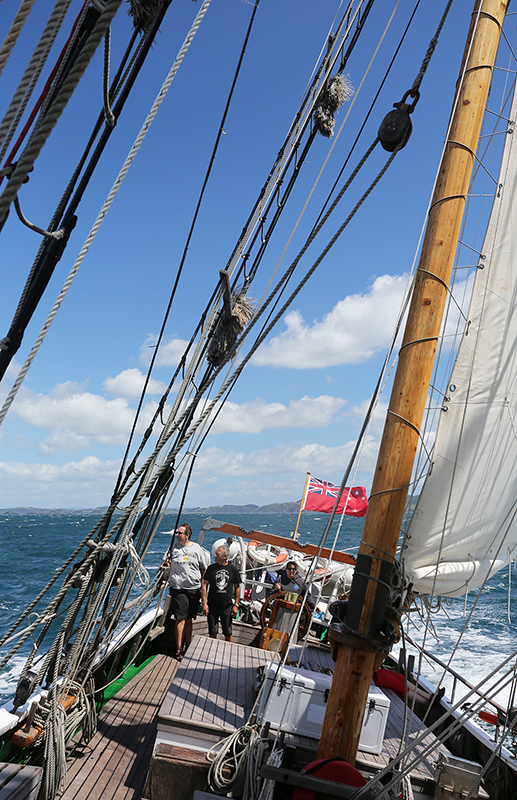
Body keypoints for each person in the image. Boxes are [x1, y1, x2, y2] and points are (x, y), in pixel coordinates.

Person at [162, 523, 207, 661]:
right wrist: (164, 579)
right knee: (180, 618)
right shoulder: (173, 548)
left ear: (187, 535)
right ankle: (178, 650)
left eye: (180, 533)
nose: (177, 535)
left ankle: (188, 648)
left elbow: (204, 569)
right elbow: (165, 564)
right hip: (178, 588)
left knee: (189, 619)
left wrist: (202, 587)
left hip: (193, 589)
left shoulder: (197, 549)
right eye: (176, 533)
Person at [201, 544, 241, 642]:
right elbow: (204, 585)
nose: (214, 556)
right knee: (212, 633)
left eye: (217, 555)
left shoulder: (233, 570)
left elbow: (237, 588)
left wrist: (236, 605)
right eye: (215, 554)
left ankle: (230, 653)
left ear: (224, 557)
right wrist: (204, 603)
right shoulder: (211, 569)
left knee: (228, 633)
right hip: (212, 606)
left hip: (227, 607)